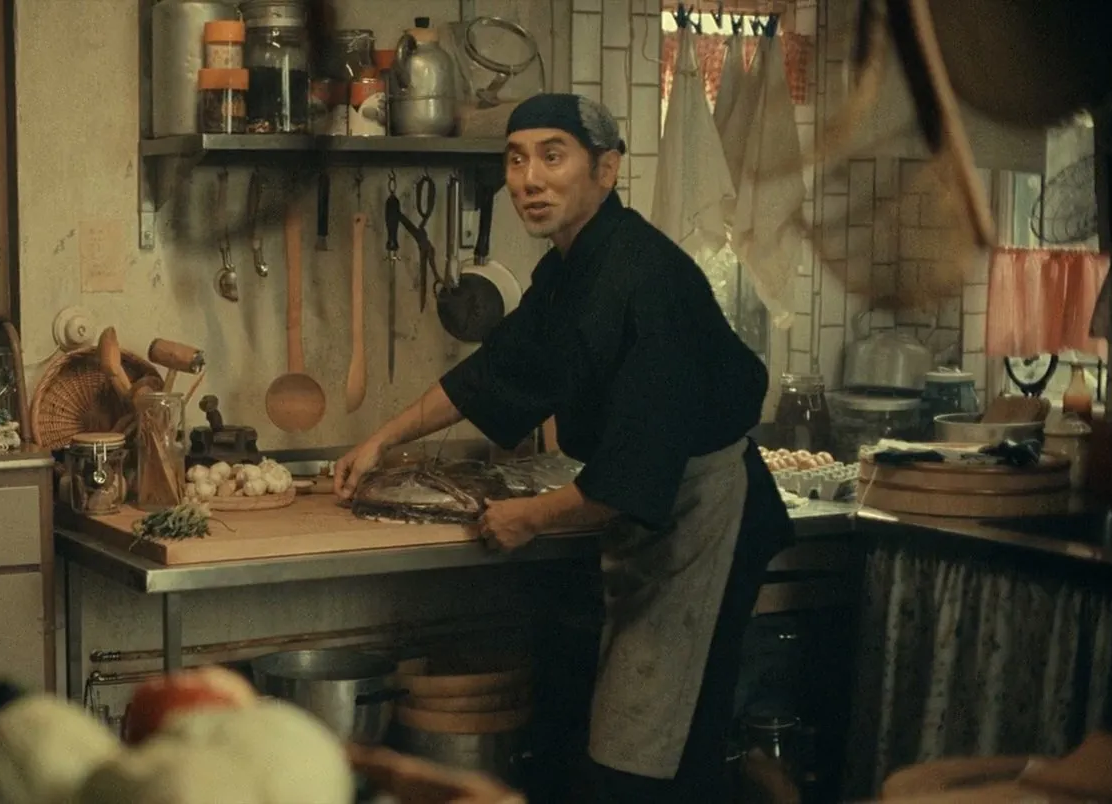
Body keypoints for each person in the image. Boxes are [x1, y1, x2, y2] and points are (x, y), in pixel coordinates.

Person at [333, 94, 794, 802]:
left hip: (705, 515)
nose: (530, 180)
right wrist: (379, 440)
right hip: (649, 512)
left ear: (605, 170)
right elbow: (495, 372)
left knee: (655, 754)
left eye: (553, 156)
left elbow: (635, 470)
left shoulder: (650, 280)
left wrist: (532, 515)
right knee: (632, 742)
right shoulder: (566, 272)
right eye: (516, 159)